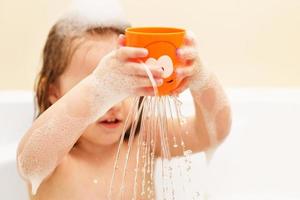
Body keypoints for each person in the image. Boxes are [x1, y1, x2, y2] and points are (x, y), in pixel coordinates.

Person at [16, 12, 232, 200]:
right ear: (53, 92)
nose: (113, 103)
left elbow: (212, 133)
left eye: (124, 84)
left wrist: (200, 78)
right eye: (105, 90)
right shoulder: (56, 161)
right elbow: (29, 162)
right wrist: (98, 88)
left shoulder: (145, 137)